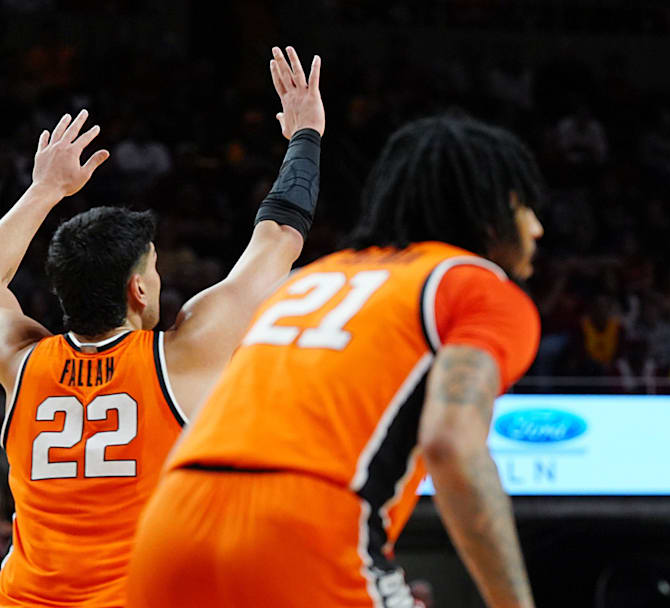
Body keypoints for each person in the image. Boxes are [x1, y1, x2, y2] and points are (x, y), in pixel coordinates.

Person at [126, 114, 545, 608]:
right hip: (303, 536)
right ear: (490, 212)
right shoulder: (478, 285)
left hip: (167, 531)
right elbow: (451, 443)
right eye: (524, 208)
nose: (536, 228)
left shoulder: (309, 279)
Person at [0, 45, 324, 606]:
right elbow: (279, 237)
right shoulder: (182, 354)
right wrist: (306, 135)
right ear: (139, 289)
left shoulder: (21, 360)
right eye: (154, 264)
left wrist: (44, 190)